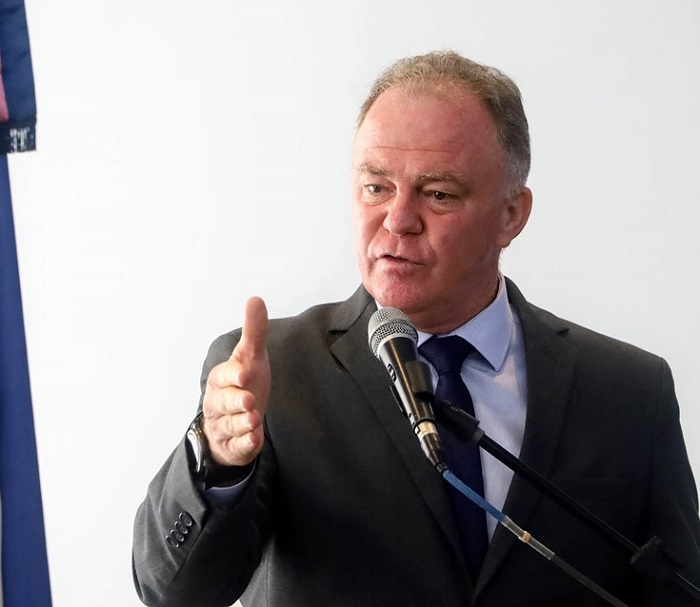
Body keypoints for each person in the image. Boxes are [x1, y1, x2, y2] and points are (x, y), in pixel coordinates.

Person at [132, 50, 700, 606]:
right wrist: (219, 461)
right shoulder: (274, 372)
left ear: (511, 215)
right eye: (376, 187)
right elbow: (175, 593)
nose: (399, 220)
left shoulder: (629, 391)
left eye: (438, 194)